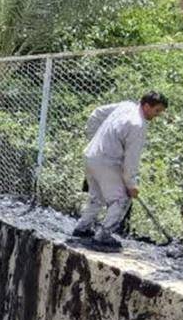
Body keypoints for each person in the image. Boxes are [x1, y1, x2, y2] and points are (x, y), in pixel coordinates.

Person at [70, 91, 169, 251]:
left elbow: (96, 114)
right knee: (122, 200)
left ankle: (82, 228)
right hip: (107, 162)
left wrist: (95, 141)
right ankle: (103, 236)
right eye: (157, 110)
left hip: (90, 155)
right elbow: (131, 160)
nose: (158, 115)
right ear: (146, 106)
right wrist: (131, 185)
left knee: (97, 196)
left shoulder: (126, 106)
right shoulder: (138, 125)